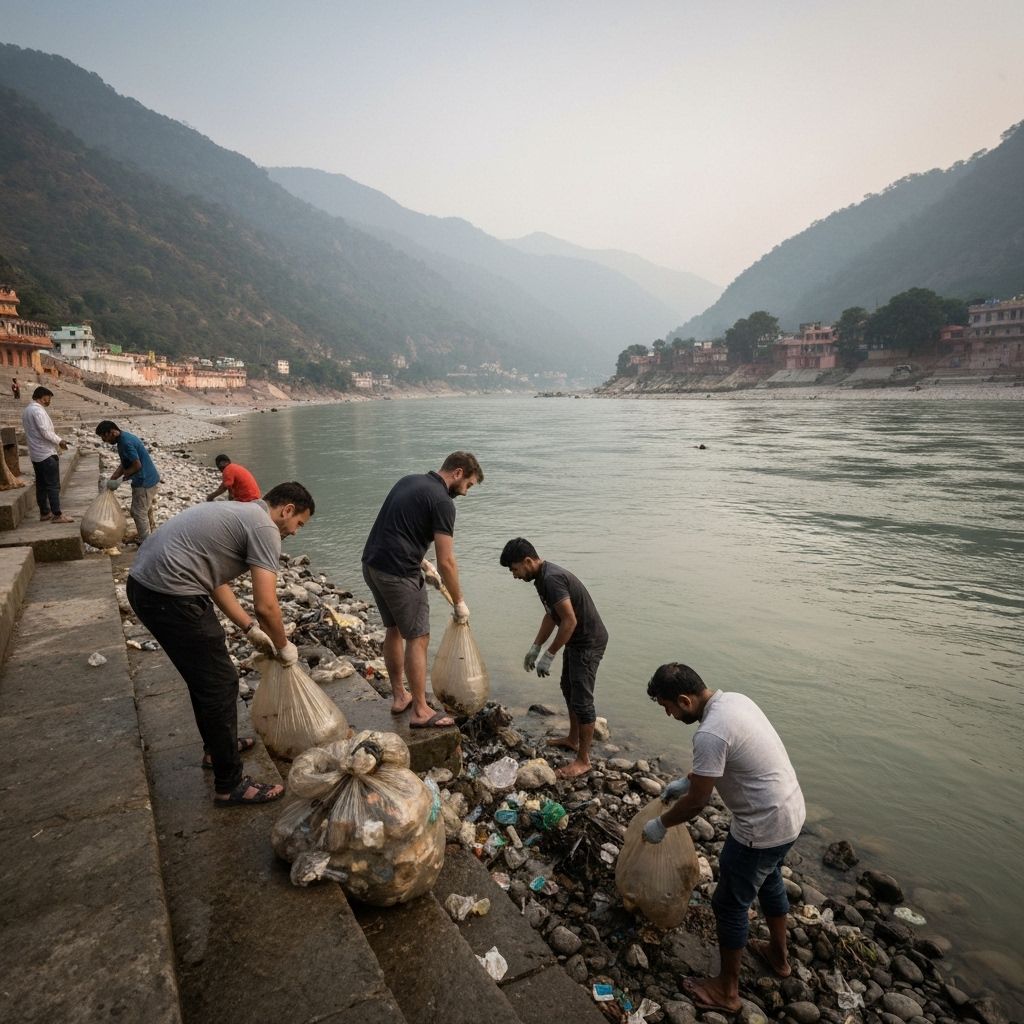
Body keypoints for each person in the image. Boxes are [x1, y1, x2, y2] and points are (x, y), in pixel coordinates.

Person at [126, 481, 315, 806]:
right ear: (287, 510)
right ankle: (230, 784)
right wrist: (284, 647)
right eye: (299, 523)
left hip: (148, 584)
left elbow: (214, 578)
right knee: (219, 682)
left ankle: (217, 748)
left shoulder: (240, 513)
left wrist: (248, 627)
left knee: (206, 678)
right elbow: (267, 604)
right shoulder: (266, 528)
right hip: (168, 593)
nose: (295, 532)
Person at [642, 663, 806, 1013]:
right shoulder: (734, 701)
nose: (669, 714)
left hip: (759, 828)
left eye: (667, 707)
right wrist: (686, 782)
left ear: (684, 700)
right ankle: (779, 957)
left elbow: (698, 802)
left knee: (729, 905)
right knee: (770, 878)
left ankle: (726, 992)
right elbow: (716, 768)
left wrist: (662, 825)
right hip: (791, 814)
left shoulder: (710, 732)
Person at [361, 451, 482, 728]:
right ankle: (420, 710)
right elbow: (447, 561)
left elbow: (398, 526)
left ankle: (399, 696)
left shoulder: (410, 481)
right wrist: (459, 601)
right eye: (469, 485)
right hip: (398, 572)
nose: (465, 492)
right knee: (418, 637)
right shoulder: (443, 502)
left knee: (393, 629)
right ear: (458, 473)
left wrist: (421, 561)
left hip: (372, 564)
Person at [499, 538, 608, 779]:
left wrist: (550, 654)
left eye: (514, 569)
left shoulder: (551, 579)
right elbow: (552, 616)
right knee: (568, 687)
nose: (514, 575)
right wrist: (535, 647)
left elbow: (569, 621)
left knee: (582, 698)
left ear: (528, 561)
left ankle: (583, 760)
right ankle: (572, 739)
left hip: (588, 642)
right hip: (576, 640)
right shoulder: (541, 579)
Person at [95, 420, 161, 543]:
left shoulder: (125, 443)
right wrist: (115, 476)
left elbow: (137, 465)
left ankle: (146, 542)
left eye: (104, 436)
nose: (104, 440)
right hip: (149, 479)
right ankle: (152, 535)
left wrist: (121, 478)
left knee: (138, 512)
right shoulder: (124, 439)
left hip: (144, 482)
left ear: (112, 432)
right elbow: (126, 462)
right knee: (145, 509)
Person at [22, 385, 72, 524]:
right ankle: (57, 515)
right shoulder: (37, 411)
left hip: (36, 454)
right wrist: (60, 441)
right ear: (43, 397)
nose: (49, 400)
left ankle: (44, 513)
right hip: (45, 454)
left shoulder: (27, 410)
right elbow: (45, 432)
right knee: (53, 485)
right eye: (49, 398)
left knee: (42, 485)